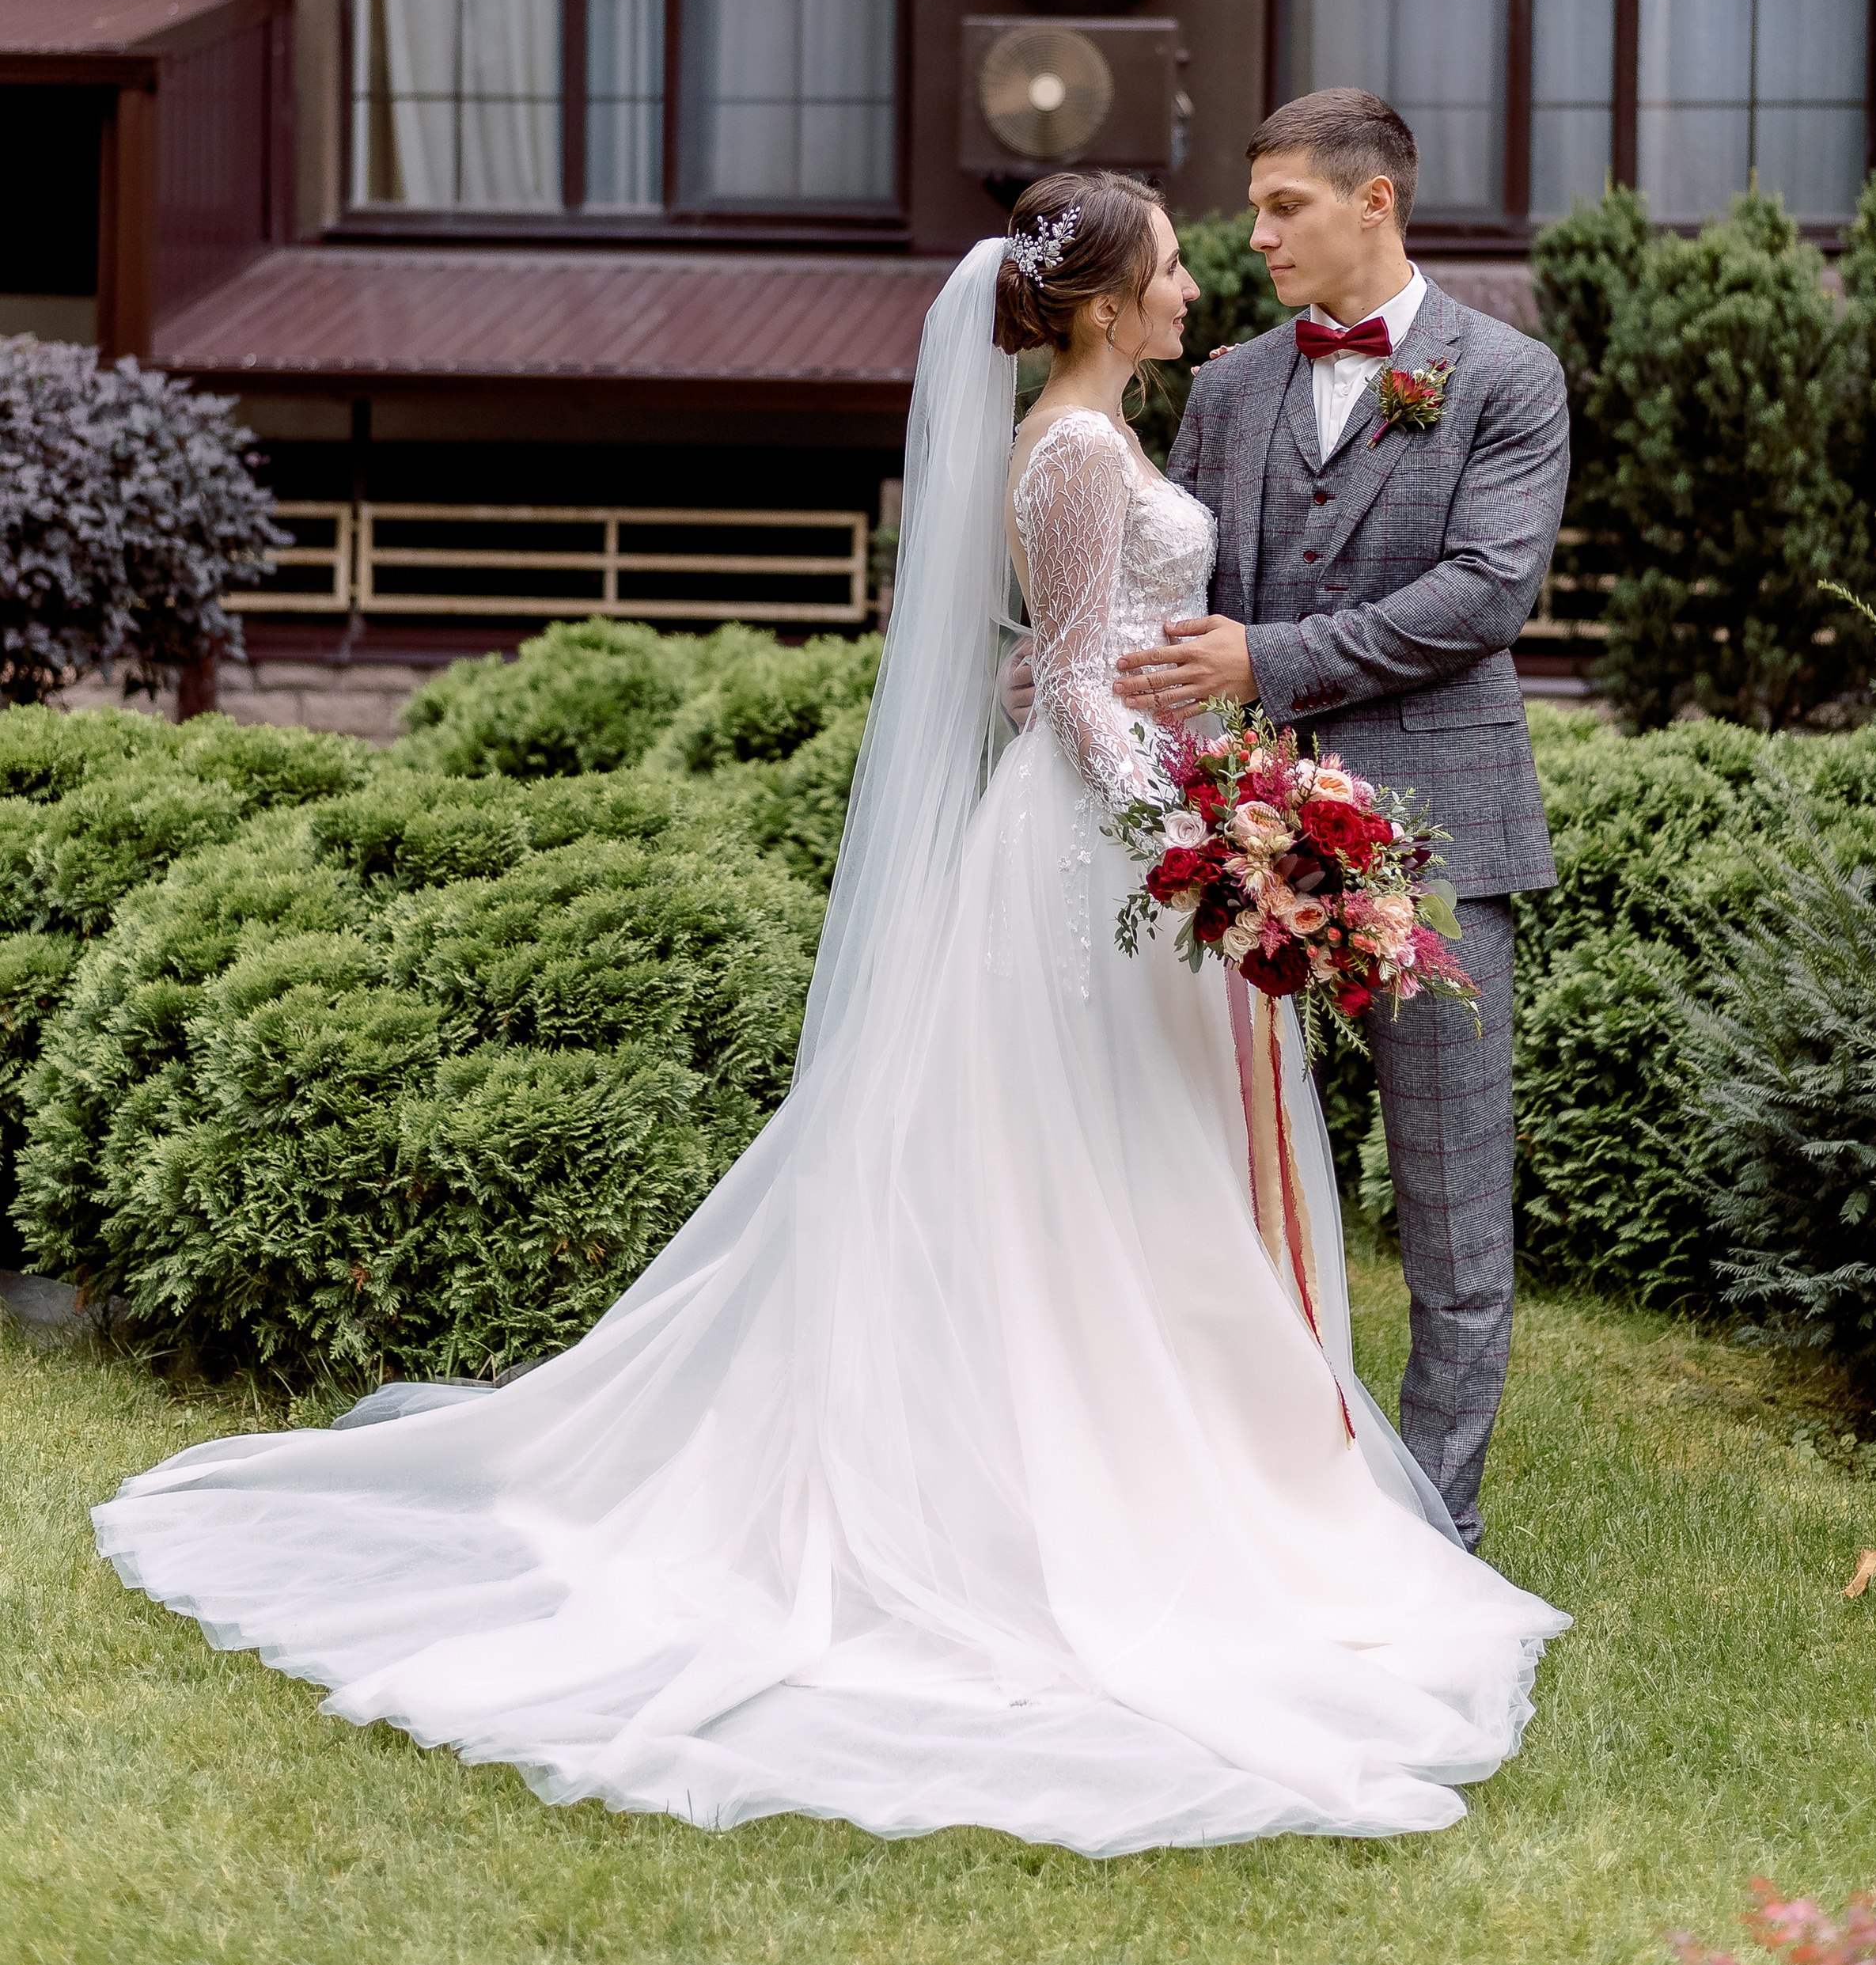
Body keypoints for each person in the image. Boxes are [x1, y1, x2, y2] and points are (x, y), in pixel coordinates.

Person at [93, 170, 1564, 1858]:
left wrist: (1174, 787)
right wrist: (1204, 835)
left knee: (1124, 1179)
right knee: (1074, 1184)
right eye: (1169, 266)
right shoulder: (1080, 448)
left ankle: (1189, 1462)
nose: (1195, 286)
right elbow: (1083, 692)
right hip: (1107, 857)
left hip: (1129, 849)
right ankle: (1093, 1493)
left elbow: (1049, 660)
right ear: (1101, 308)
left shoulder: (1104, 433)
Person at [1114, 90, 1570, 1553]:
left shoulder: (1506, 375)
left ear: (1376, 202)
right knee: (1239, 1184)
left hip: (1439, 840)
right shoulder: (1234, 384)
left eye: (1285, 207)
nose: (1252, 238)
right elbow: (1172, 586)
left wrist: (1275, 658)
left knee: (1450, 1198)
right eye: (1251, 210)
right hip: (1240, 850)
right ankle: (1265, 1499)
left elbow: (1487, 594)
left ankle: (1434, 1529)